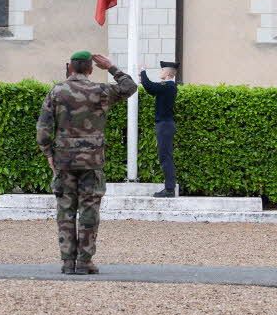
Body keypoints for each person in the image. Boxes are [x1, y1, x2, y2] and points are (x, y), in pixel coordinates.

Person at [36, 50, 137, 275]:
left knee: (65, 212)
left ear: (70, 67)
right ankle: (84, 261)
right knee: (89, 211)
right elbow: (129, 87)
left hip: (64, 160)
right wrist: (111, 67)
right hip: (92, 161)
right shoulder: (100, 91)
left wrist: (48, 153)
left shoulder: (57, 91)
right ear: (91, 69)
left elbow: (43, 128)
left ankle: (67, 262)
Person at [139, 60, 180, 198]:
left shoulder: (168, 85)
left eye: (162, 70)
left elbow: (149, 86)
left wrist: (143, 71)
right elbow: (151, 88)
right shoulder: (168, 87)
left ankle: (169, 189)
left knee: (165, 157)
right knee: (165, 156)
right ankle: (169, 188)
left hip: (164, 125)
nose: (160, 72)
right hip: (165, 125)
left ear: (167, 73)